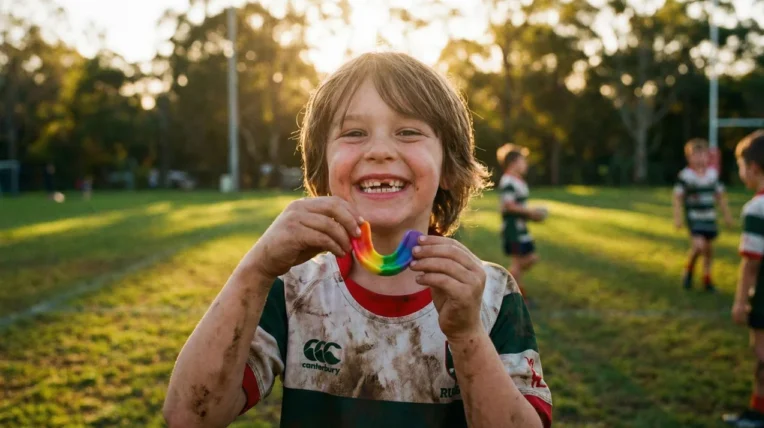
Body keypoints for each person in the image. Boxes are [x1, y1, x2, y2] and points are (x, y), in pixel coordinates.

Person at [163, 52, 552, 428]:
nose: (380, 150)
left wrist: (467, 335)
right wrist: (255, 269)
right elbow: (190, 416)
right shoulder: (293, 288)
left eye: (408, 132)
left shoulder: (491, 295)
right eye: (353, 133)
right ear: (323, 169)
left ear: (449, 168)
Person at [724, 130, 764, 427]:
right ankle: (758, 412)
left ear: (752, 168)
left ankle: (759, 415)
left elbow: (751, 265)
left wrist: (740, 302)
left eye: (740, 166)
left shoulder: (757, 208)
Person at [673, 138, 734, 291]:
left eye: (703, 155)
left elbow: (720, 196)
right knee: (699, 246)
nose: (700, 158)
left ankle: (707, 279)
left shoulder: (712, 175)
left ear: (708, 156)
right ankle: (689, 271)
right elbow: (677, 197)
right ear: (689, 157)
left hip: (709, 217)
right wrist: (678, 217)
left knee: (708, 249)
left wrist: (727, 215)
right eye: (696, 155)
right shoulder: (686, 176)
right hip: (694, 218)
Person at [496, 143, 545, 301]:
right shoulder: (508, 181)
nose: (526, 165)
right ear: (513, 162)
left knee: (527, 259)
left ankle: (512, 290)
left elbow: (517, 206)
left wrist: (531, 216)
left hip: (521, 228)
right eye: (523, 161)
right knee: (520, 262)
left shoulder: (518, 181)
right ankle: (513, 294)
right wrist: (530, 212)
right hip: (513, 229)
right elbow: (509, 206)